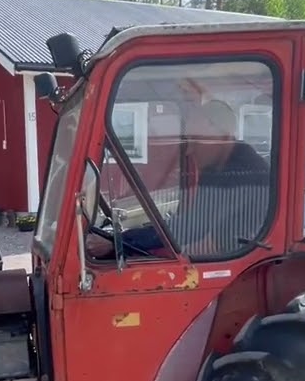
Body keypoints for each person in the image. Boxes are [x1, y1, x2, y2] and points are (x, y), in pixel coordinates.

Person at [86, 99, 272, 260]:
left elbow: (194, 226)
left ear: (220, 135)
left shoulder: (244, 173)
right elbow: (194, 224)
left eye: (194, 140)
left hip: (242, 270)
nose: (189, 151)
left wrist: (118, 242)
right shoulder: (217, 168)